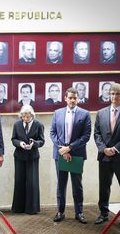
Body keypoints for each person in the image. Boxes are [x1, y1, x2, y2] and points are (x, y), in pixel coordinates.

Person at [93, 83, 120, 228]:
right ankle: (103, 213)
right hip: (105, 156)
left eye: (117, 94)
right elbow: (97, 134)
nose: (114, 96)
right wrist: (103, 148)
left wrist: (116, 148)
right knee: (104, 187)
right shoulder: (101, 113)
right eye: (112, 93)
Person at [50, 87, 91, 224]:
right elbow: (53, 133)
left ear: (78, 99)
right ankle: (60, 212)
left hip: (76, 154)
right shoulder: (57, 113)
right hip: (60, 153)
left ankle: (79, 213)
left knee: (77, 185)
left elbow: (86, 136)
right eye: (70, 97)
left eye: (75, 98)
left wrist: (70, 148)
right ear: (65, 98)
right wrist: (63, 149)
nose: (72, 100)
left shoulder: (85, 114)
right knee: (61, 185)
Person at [11, 105, 45, 214]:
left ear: (32, 115)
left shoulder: (38, 125)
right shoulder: (17, 124)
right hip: (19, 156)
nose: (25, 119)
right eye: (23, 116)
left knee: (32, 182)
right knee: (19, 181)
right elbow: (13, 139)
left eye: (27, 116)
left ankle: (31, 208)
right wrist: (20, 143)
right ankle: (18, 208)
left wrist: (34, 144)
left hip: (32, 157)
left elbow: (42, 141)